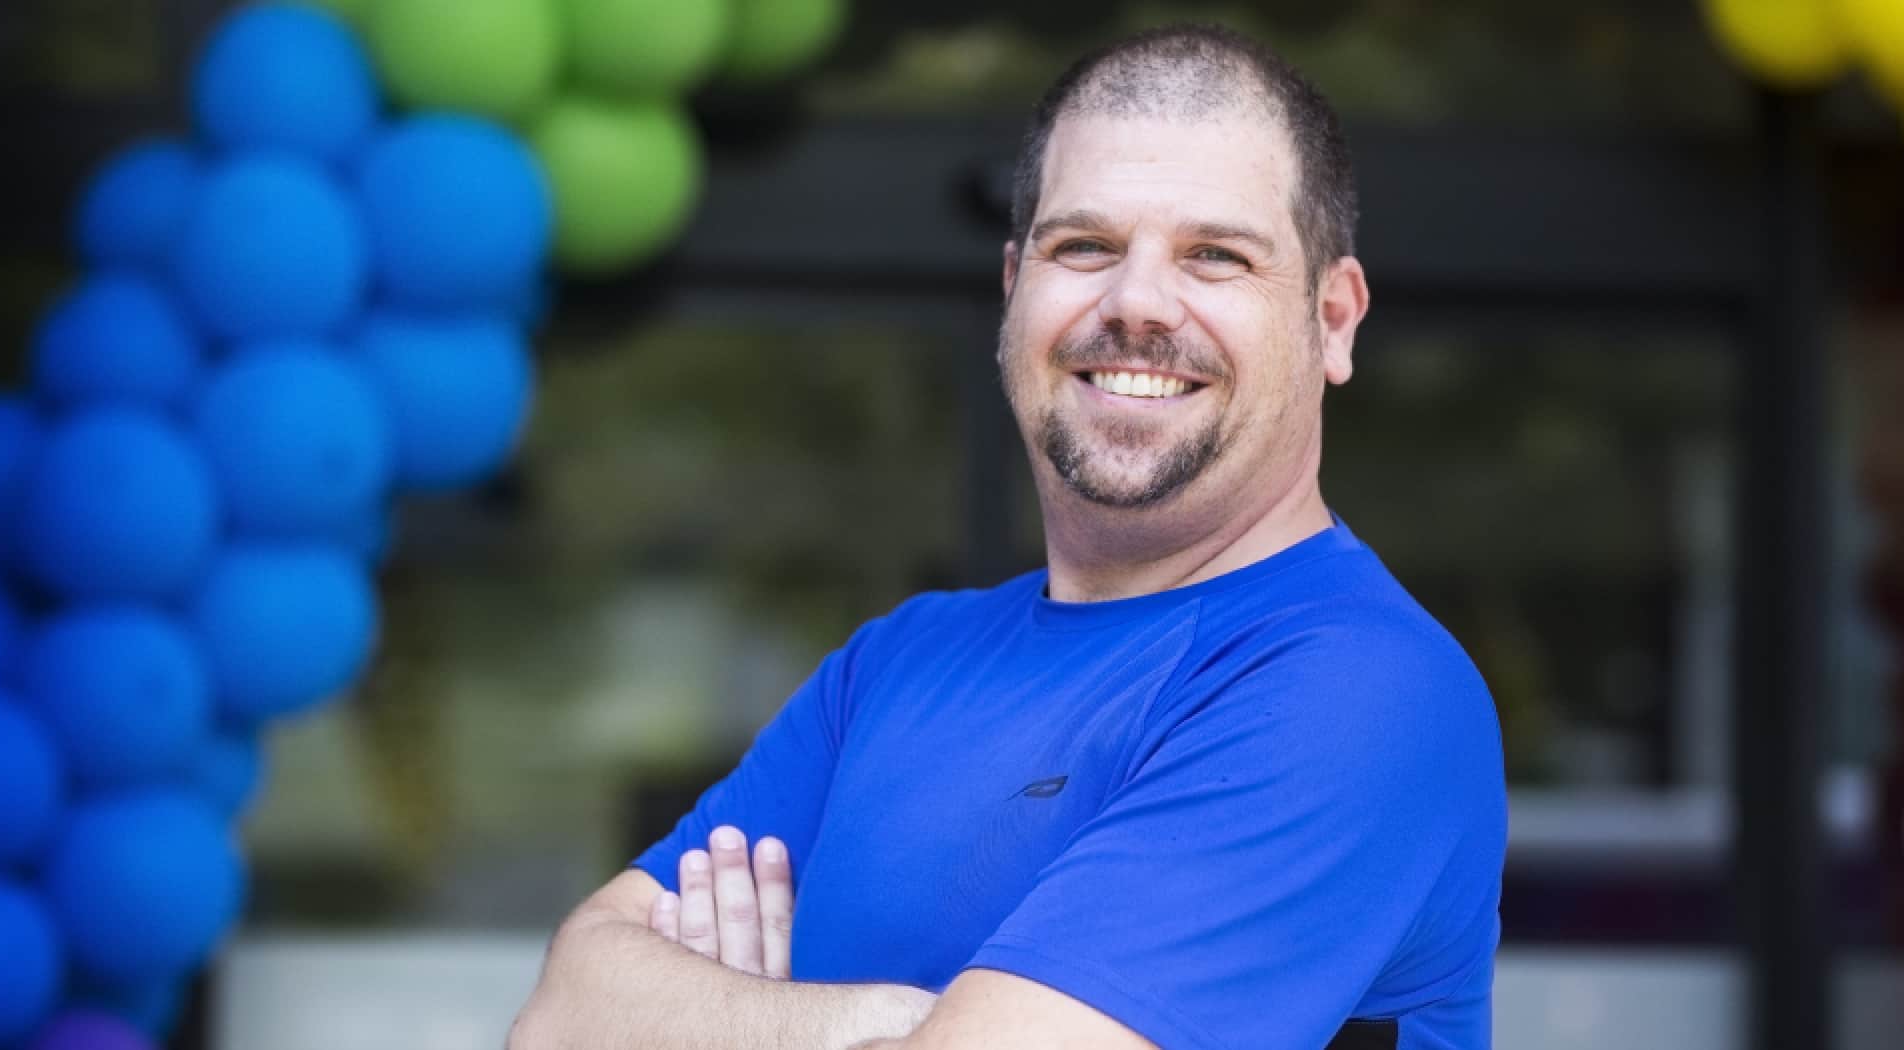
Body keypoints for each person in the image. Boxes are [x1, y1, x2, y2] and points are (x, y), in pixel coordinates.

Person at [509, 23, 1505, 1050]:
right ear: (1011, 290)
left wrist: (725, 1022)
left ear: (1331, 319)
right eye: (1083, 247)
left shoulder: (1359, 689)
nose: (1136, 305)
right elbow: (558, 1021)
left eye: (1215, 256)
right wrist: (884, 1023)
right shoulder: (893, 667)